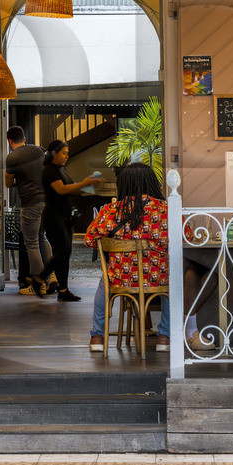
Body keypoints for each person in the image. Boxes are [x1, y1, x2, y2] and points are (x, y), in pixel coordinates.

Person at [84, 162, 169, 353]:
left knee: (103, 284)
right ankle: (165, 336)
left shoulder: (109, 211)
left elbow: (89, 240)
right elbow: (186, 236)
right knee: (174, 282)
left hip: (120, 278)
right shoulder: (166, 210)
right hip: (159, 278)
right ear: (153, 183)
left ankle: (97, 335)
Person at [40, 140, 95, 302]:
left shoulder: (60, 169)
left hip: (64, 216)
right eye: (63, 153)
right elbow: (61, 189)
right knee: (61, 253)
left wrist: (88, 184)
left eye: (67, 153)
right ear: (54, 153)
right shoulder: (49, 170)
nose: (66, 156)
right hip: (54, 216)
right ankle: (40, 278)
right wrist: (84, 183)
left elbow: (71, 187)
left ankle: (63, 290)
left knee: (65, 253)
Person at [4, 126, 52, 296]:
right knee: (41, 237)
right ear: (24, 138)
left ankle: (39, 285)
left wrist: (19, 180)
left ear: (10, 141)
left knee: (31, 242)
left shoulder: (12, 157)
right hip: (46, 200)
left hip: (30, 203)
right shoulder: (39, 150)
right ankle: (52, 277)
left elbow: (8, 184)